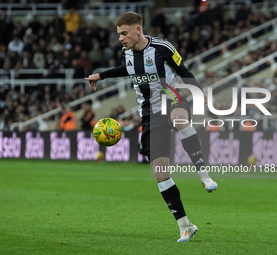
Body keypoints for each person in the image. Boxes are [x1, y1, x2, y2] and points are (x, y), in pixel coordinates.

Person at [85, 12, 217, 242]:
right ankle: (185, 225)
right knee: (160, 172)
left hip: (171, 97)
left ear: (138, 30)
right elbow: (126, 69)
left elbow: (183, 70)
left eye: (124, 33)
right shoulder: (127, 54)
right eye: (119, 34)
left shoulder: (162, 47)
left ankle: (204, 175)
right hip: (149, 113)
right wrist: (101, 75)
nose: (121, 38)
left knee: (179, 119)